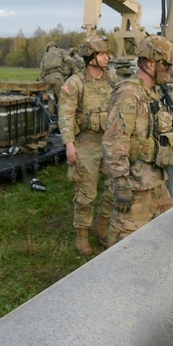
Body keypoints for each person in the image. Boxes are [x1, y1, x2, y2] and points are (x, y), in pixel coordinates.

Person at [102, 35, 173, 245]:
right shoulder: (129, 95)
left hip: (156, 182)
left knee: (165, 233)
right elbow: (114, 140)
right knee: (125, 244)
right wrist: (120, 183)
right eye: (166, 65)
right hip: (135, 185)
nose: (169, 71)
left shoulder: (153, 93)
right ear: (149, 62)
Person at [58, 34, 116, 255]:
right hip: (86, 143)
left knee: (115, 186)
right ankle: (82, 236)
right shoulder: (75, 83)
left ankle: (100, 224)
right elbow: (65, 115)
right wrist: (69, 144)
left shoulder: (112, 79)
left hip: (108, 143)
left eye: (106, 54)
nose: (106, 57)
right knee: (86, 193)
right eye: (101, 54)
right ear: (90, 57)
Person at [39, 41, 72, 113]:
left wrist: (42, 81)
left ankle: (52, 122)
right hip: (58, 78)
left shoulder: (45, 55)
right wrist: (71, 69)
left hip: (47, 80)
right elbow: (69, 60)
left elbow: (41, 71)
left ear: (48, 48)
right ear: (55, 46)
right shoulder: (61, 51)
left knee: (51, 100)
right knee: (62, 99)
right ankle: (61, 119)